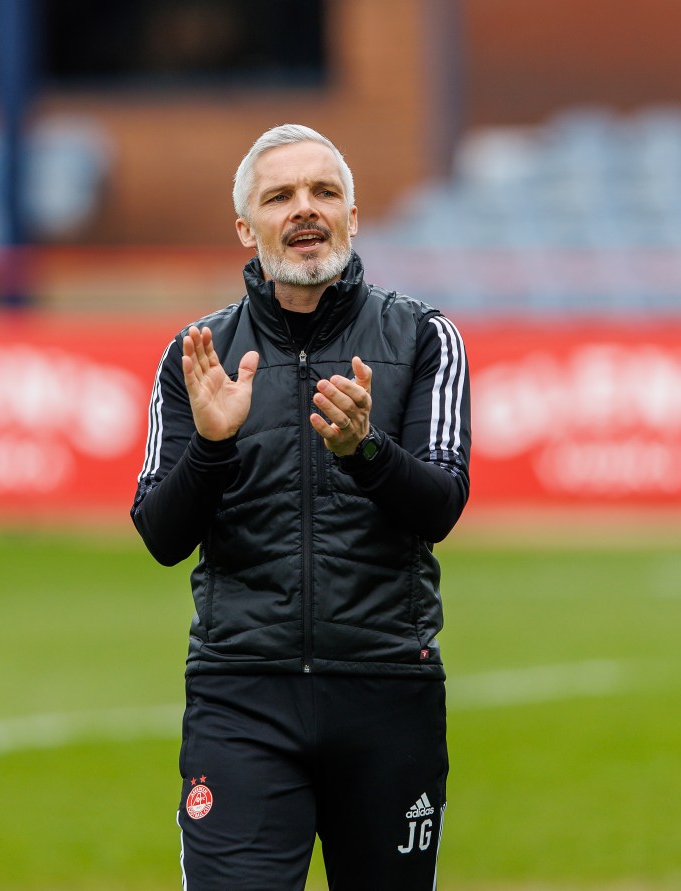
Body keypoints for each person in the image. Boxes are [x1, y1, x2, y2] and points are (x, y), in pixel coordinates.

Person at [131, 123, 471, 890]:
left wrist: (364, 450)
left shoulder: (424, 337)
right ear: (245, 228)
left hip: (387, 689)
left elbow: (441, 505)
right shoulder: (198, 353)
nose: (304, 208)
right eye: (279, 195)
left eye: (323, 191)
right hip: (240, 696)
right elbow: (160, 534)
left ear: (353, 214)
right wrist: (211, 444)